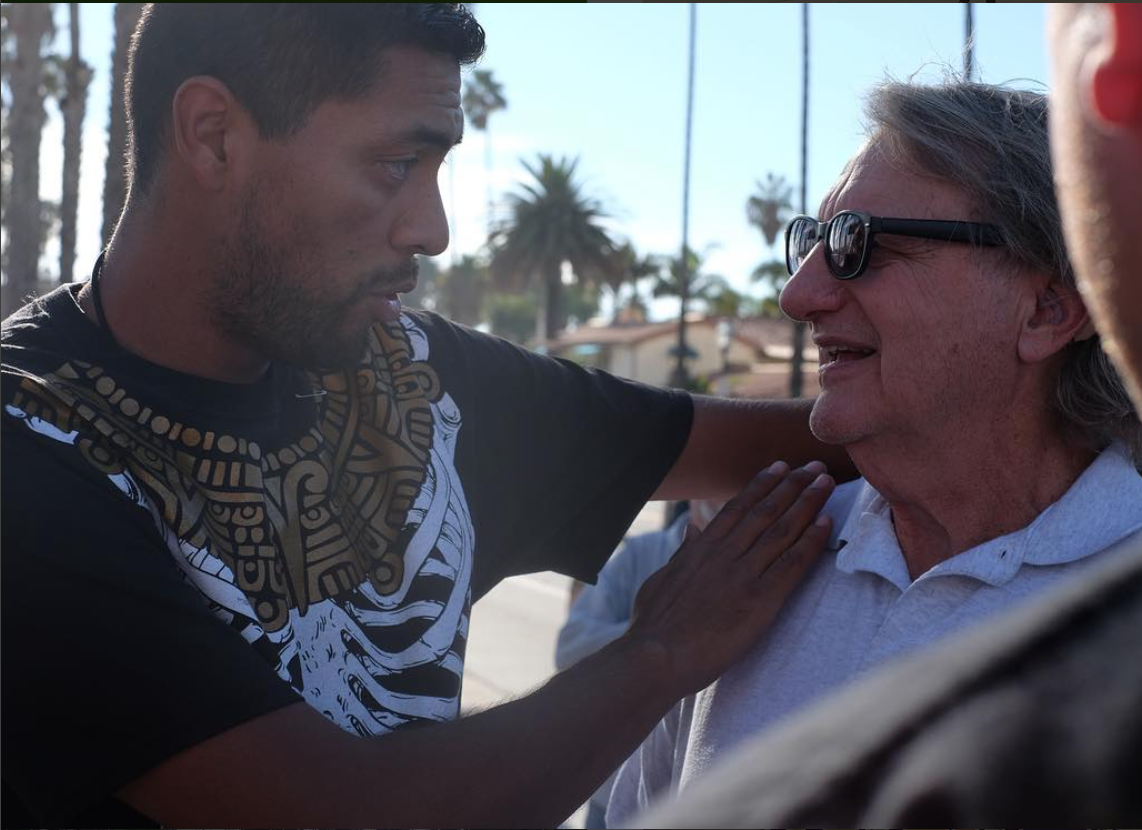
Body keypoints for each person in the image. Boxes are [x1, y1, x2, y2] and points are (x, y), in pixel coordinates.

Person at [0, 5, 853, 828]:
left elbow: (762, 440)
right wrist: (660, 653)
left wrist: (952, 388)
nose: (434, 229)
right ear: (214, 135)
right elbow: (350, 813)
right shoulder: (28, 449)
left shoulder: (412, 376)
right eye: (395, 165)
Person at [633, 3, 1142, 826]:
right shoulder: (748, 559)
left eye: (858, 243)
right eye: (809, 242)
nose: (800, 296)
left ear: (1046, 309)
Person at [555, 500, 723, 828]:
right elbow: (570, 646)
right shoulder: (642, 553)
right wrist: (660, 633)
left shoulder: (763, 561)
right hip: (613, 788)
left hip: (701, 795)